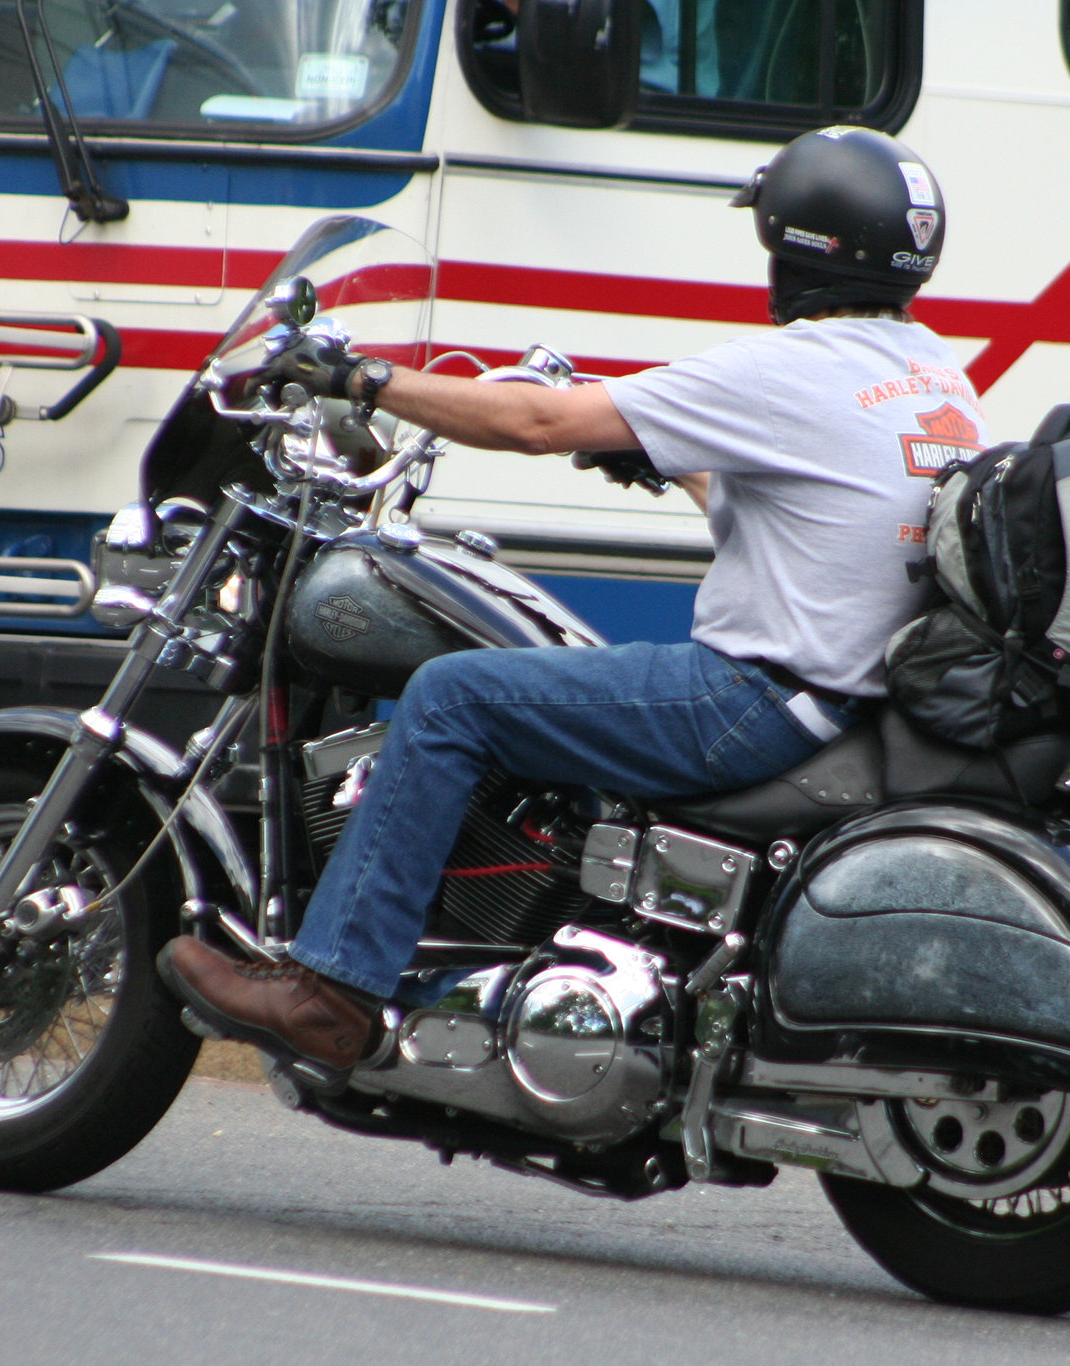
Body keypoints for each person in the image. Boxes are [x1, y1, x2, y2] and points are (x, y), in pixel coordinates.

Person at [159, 127, 988, 1071]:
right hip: (844, 696)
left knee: (450, 697)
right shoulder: (931, 376)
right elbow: (815, 515)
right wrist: (668, 467)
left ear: (796, 245)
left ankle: (332, 990)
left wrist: (364, 378)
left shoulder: (791, 366)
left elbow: (538, 419)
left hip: (755, 699)